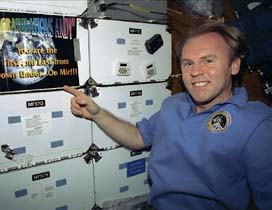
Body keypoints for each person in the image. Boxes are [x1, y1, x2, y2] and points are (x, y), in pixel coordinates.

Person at [63, 20, 272, 210]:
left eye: (208, 61)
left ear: (234, 65)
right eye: (188, 63)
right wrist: (98, 113)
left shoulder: (256, 124)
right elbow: (137, 137)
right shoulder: (174, 105)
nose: (195, 71)